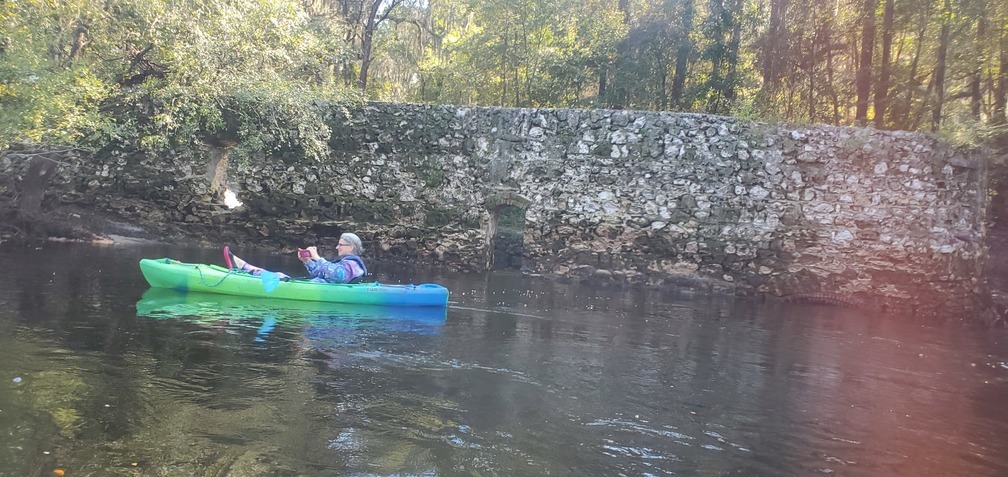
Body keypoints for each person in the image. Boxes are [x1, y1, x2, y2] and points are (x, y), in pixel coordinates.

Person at [223, 232, 367, 284]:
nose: (337, 247)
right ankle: (244, 268)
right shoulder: (346, 263)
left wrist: (318, 258)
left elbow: (338, 275)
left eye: (340, 245)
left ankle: (243, 268)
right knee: (280, 276)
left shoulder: (353, 265)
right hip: (318, 285)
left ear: (351, 247)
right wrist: (308, 261)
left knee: (279, 277)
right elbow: (322, 273)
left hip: (321, 289)